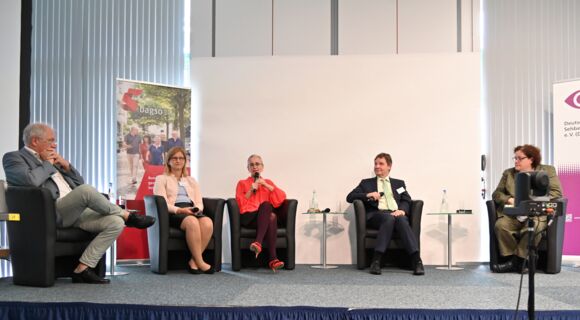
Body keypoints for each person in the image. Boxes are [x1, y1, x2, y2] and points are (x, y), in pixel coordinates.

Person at [2, 123, 156, 284]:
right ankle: (128, 215)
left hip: (75, 209)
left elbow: (79, 183)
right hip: (51, 212)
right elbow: (30, 181)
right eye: (51, 140)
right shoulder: (14, 157)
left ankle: (82, 269)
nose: (54, 144)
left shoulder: (52, 158)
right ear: (34, 141)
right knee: (87, 191)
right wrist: (47, 164)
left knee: (115, 223)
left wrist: (67, 167)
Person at [346, 153, 424, 276]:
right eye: (376, 163)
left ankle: (416, 261)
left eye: (381, 164)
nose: (377, 166)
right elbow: (350, 197)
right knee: (389, 218)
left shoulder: (399, 184)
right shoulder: (366, 183)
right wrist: (367, 195)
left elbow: (406, 199)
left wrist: (402, 210)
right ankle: (376, 260)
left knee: (401, 219)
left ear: (389, 166)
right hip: (377, 215)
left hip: (396, 214)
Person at [491, 144, 562, 273]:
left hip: (536, 213)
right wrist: (509, 199)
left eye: (520, 158)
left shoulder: (547, 171)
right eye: (515, 158)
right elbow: (497, 194)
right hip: (514, 213)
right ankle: (518, 260)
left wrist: (534, 200)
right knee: (501, 225)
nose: (516, 161)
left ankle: (516, 262)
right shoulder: (509, 173)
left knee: (534, 227)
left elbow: (556, 193)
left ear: (531, 159)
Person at [153, 147, 214, 274]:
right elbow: (163, 203)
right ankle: (201, 262)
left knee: (207, 222)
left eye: (181, 158)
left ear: (185, 161)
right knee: (192, 222)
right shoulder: (161, 179)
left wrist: (197, 209)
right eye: (174, 158)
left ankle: (193, 261)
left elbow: (198, 201)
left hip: (191, 209)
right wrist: (181, 210)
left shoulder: (191, 180)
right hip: (173, 212)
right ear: (168, 161)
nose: (178, 161)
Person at [235, 154, 287, 272]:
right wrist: (250, 190)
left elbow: (280, 199)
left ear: (262, 167)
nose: (255, 167)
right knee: (268, 208)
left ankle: (270, 257)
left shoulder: (267, 182)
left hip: (264, 218)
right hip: (249, 217)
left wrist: (266, 185)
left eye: (257, 164)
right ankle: (268, 252)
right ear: (248, 168)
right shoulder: (242, 183)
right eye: (251, 164)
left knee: (271, 215)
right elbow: (240, 204)